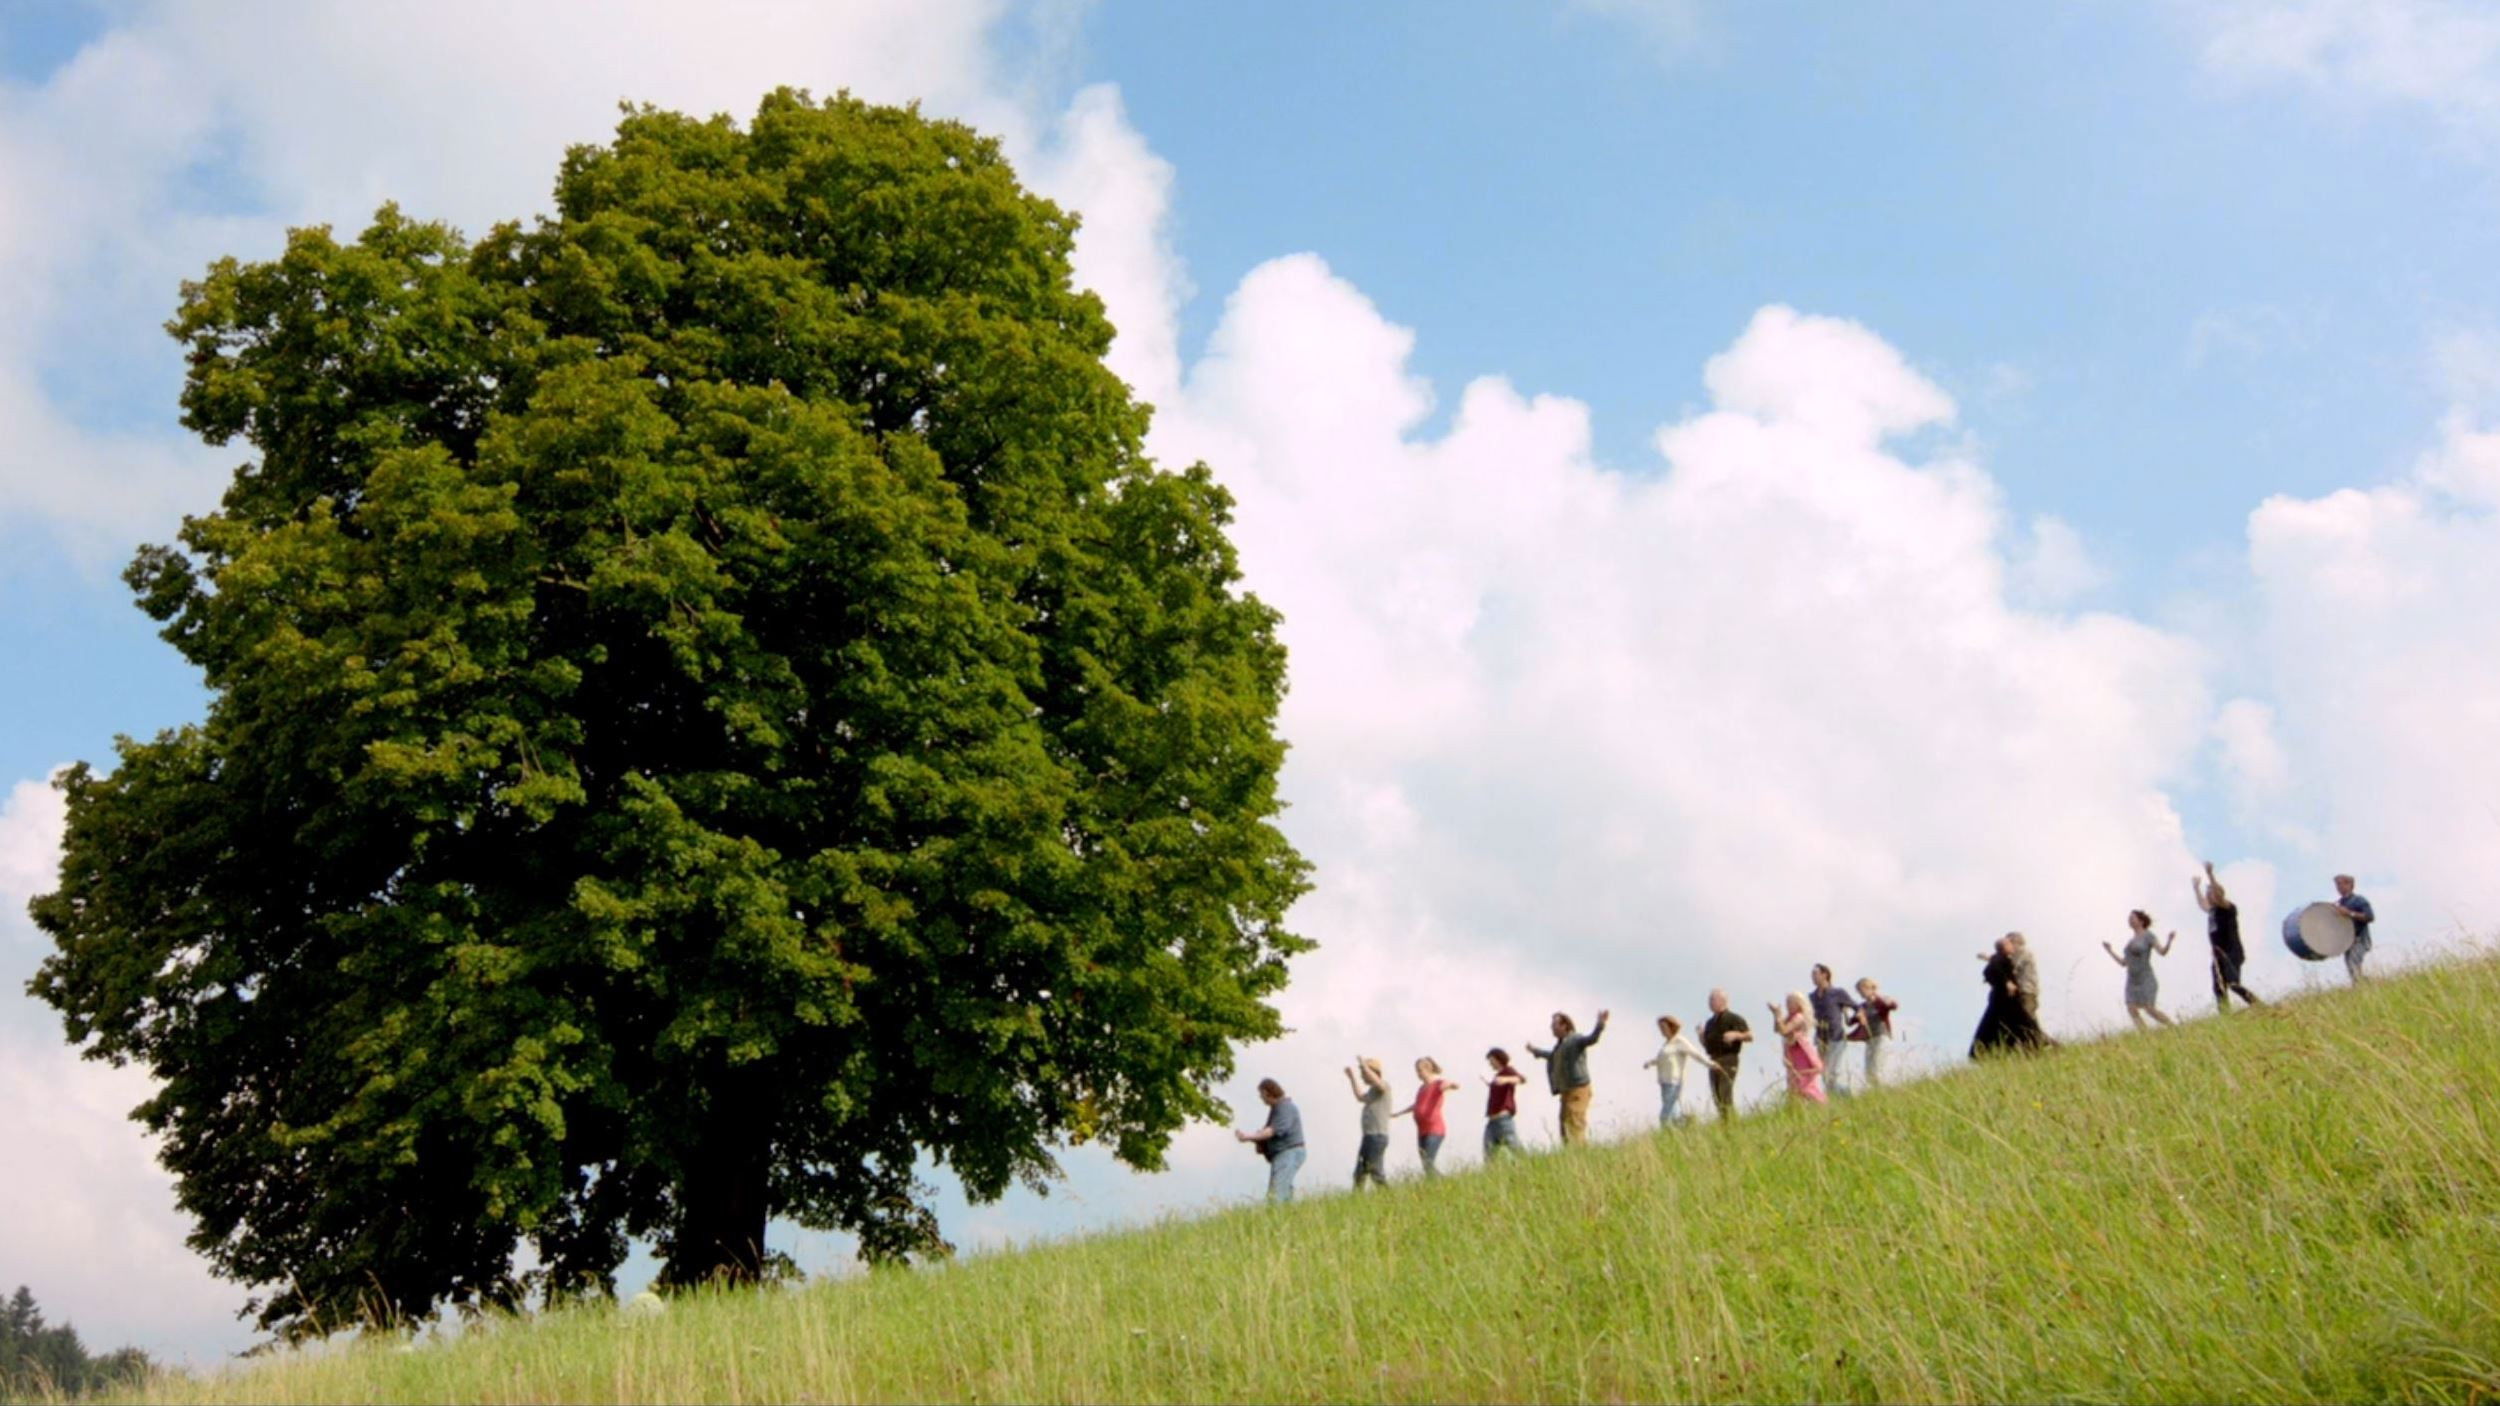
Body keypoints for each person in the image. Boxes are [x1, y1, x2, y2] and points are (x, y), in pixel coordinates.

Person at [1525, 1009, 1610, 1146]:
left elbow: (1591, 1039)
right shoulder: (1561, 1046)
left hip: (1577, 1089)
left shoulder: (1575, 1040)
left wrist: (1600, 1025)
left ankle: (1580, 1154)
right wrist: (1535, 1051)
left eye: (1554, 1025)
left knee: (1575, 1124)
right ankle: (1571, 1156)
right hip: (1566, 1091)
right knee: (1565, 1125)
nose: (1552, 1029)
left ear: (1564, 1026)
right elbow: (1551, 1056)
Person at [2193, 861, 2260, 1011]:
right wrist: (2196, 889)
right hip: (2218, 954)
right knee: (2218, 987)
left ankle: (2257, 1004)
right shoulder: (2212, 910)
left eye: (2209, 891)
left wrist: (2210, 875)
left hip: (2231, 951)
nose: (2208, 894)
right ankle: (2225, 1015)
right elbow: (2202, 904)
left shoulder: (2227, 907)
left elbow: (2217, 895)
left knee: (2233, 983)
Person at [1970, 934, 2046, 1057]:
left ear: (2015, 943)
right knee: (2025, 1024)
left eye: (2010, 943)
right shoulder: (2009, 957)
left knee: (2027, 1024)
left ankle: (2040, 1046)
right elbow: (2004, 964)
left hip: (2026, 993)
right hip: (2021, 993)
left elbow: (2011, 965)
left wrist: (1990, 959)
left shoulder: (2024, 953)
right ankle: (2033, 1049)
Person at [1233, 1078, 1306, 1203]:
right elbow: (1268, 1134)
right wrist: (1254, 1138)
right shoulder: (1277, 1109)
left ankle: (1275, 1218)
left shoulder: (1285, 1107)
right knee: (1285, 1193)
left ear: (1267, 1093)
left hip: (1289, 1152)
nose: (1261, 1098)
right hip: (1284, 1154)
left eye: (1261, 1095)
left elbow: (1271, 1132)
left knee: (1276, 1194)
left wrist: (1248, 1137)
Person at [2104, 910, 2177, 1029]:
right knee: (2131, 1008)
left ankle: (2173, 1027)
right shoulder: (2130, 942)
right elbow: (2123, 963)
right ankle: (2145, 1035)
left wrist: (2169, 941)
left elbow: (2162, 952)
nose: (2130, 920)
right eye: (2129, 918)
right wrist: (2110, 951)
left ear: (2141, 921)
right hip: (2132, 980)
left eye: (2133, 917)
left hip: (2145, 977)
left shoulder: (2148, 936)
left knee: (2150, 1009)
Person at [1395, 1057, 1463, 1177]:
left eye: (1420, 1071)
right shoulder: (1421, 1089)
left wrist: (1451, 1085)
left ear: (1428, 1069)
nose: (1418, 1074)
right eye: (1417, 1071)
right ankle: (1438, 1184)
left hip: (1435, 1130)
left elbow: (1453, 1085)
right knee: (1426, 1165)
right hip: (1422, 1131)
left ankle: (1445, 1182)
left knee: (1428, 1162)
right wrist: (1399, 1113)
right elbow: (1417, 1105)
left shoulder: (1438, 1084)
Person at [1640, 1015, 1713, 1127]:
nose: (1662, 1030)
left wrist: (1709, 1064)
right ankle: (1686, 1127)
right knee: (1674, 1111)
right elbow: (1662, 1059)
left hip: (1674, 1082)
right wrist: (1650, 1063)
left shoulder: (1680, 1041)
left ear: (1671, 1027)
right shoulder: (1667, 1044)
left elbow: (1695, 1053)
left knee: (1666, 1113)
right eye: (1660, 1027)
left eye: (1664, 1027)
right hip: (1664, 1081)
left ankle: (1667, 1130)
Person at [1699, 989, 1754, 1122]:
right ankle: (1724, 1123)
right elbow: (1707, 1045)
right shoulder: (1710, 1023)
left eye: (1712, 999)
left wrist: (1736, 1035)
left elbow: (1750, 1036)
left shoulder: (1733, 1018)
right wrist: (1701, 1036)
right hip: (1713, 1060)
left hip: (1728, 1058)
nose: (1710, 1003)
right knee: (1716, 1095)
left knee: (1725, 1092)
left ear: (1722, 1000)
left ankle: (1731, 1123)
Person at [1807, 965, 1861, 1098]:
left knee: (1832, 1072)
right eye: (1812, 975)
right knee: (1825, 1074)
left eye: (1815, 974)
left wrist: (1859, 1016)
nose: (1813, 977)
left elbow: (1856, 1006)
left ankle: (1849, 1095)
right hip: (1820, 1038)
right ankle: (1837, 1099)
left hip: (1836, 1037)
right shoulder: (1811, 997)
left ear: (1825, 975)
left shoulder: (1837, 993)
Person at [1769, 992, 1826, 1105]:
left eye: (1790, 1002)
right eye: (1787, 1003)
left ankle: (1822, 1104)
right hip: (1792, 1052)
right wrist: (1776, 1016)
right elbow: (1778, 1029)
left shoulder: (1799, 1017)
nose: (1788, 1005)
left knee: (1804, 1082)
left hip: (1801, 1051)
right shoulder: (1789, 1017)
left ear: (1798, 1004)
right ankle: (1798, 1109)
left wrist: (1778, 1016)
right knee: (1794, 1083)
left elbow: (1785, 1030)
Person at [1346, 1056, 1393, 1188]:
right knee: (1360, 1172)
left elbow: (1379, 1084)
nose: (1363, 1077)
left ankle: (1387, 1196)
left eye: (1364, 1074)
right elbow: (1360, 1097)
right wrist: (1352, 1078)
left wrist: (1364, 1066)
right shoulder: (1372, 1091)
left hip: (1377, 1136)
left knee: (1374, 1170)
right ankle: (1357, 1199)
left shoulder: (1383, 1086)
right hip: (1369, 1136)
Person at [1851, 978, 1898, 1087]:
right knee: (1869, 1070)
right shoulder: (1862, 1006)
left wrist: (1890, 1002)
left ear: (1870, 988)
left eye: (1862, 989)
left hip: (1881, 1036)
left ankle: (1883, 1091)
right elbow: (1851, 1021)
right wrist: (1857, 1017)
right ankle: (1875, 1092)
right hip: (1869, 1039)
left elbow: (1892, 1006)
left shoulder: (1880, 1001)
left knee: (1877, 1067)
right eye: (1859, 990)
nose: (1860, 993)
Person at [1483, 1048, 1527, 1158]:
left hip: (1503, 1120)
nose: (1490, 1063)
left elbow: (1521, 1079)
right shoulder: (1497, 1076)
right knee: (1489, 1150)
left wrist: (1506, 1080)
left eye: (1491, 1060)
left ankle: (1529, 1166)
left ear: (1498, 1059)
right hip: (1492, 1121)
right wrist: (1490, 1084)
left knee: (1514, 1148)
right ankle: (1494, 1173)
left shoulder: (1508, 1070)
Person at [2335, 874, 2376, 984]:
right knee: (2351, 968)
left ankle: (2363, 987)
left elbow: (2370, 917)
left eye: (2341, 884)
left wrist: (2349, 913)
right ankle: (2365, 986)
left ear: (2350, 885)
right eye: (2337, 885)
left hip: (2360, 940)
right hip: (2348, 942)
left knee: (2354, 964)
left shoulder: (2359, 900)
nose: (2338, 887)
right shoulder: (2338, 904)